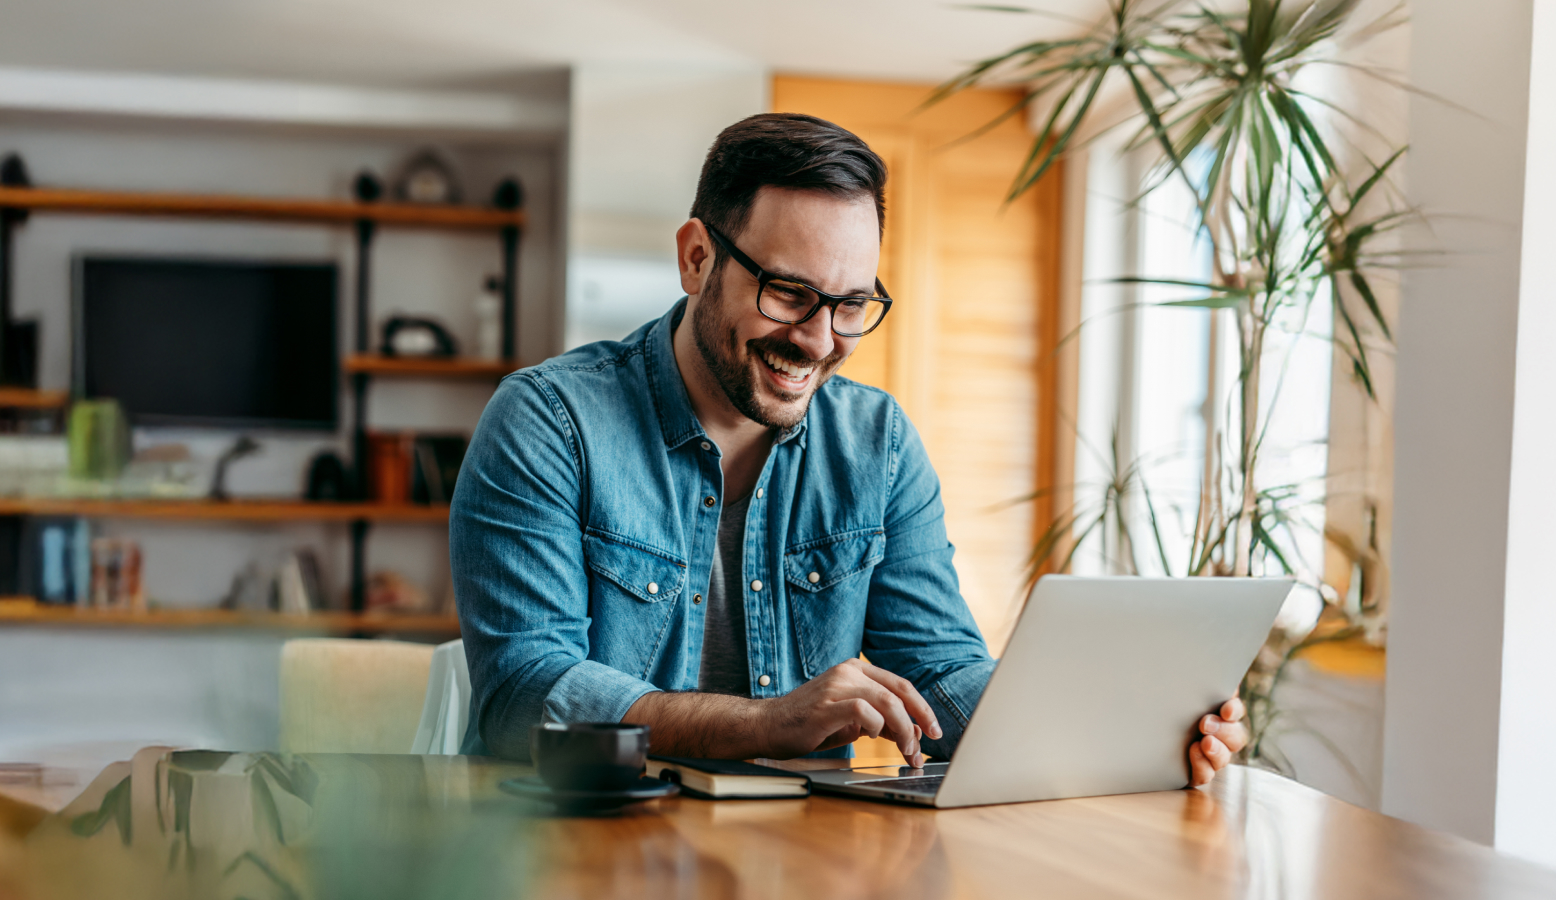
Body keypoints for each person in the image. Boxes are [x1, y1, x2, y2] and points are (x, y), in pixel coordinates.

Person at [452, 112, 1247, 784]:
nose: (819, 340)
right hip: (575, 849)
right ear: (698, 258)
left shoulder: (879, 444)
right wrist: (768, 725)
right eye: (790, 293)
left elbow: (941, 671)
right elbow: (528, 693)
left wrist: (1118, 739)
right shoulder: (550, 422)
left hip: (802, 860)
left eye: (853, 304)